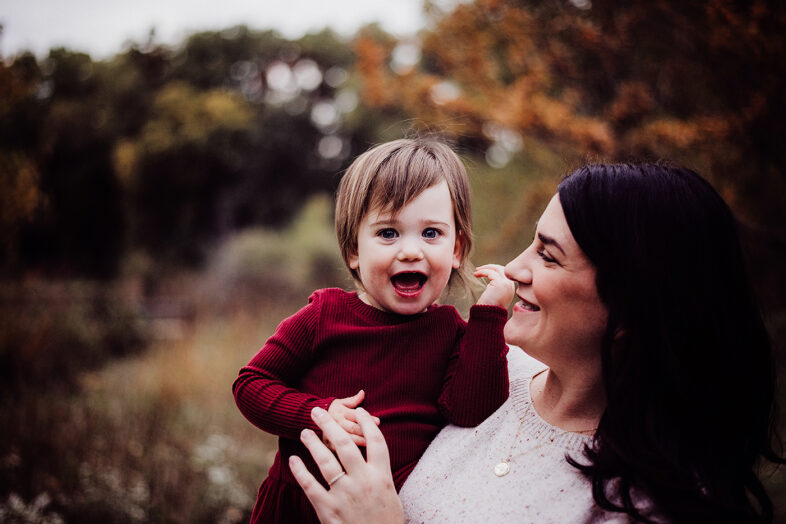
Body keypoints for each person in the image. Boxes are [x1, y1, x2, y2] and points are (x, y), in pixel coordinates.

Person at [290, 163, 784, 523]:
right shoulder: (490, 372)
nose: (513, 269)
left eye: (548, 257)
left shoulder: (651, 504)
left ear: (631, 306)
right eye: (533, 243)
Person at [233, 138, 515, 523]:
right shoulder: (325, 316)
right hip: (300, 507)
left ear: (457, 249)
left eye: (431, 233)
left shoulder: (451, 331)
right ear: (353, 250)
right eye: (388, 233)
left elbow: (471, 410)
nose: (411, 251)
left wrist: (489, 316)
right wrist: (318, 414)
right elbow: (251, 384)